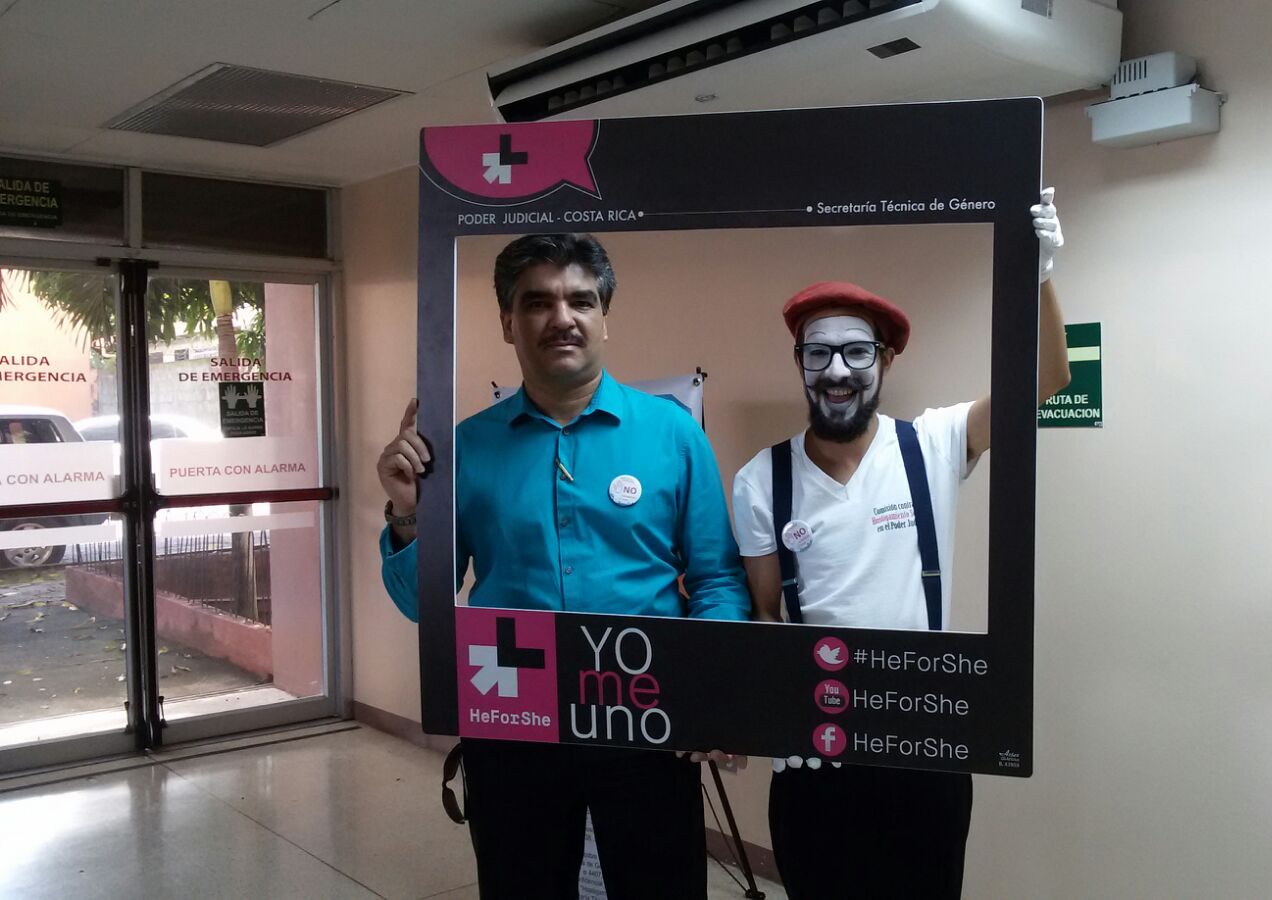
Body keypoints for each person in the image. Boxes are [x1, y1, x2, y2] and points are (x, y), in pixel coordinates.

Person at [376, 233, 750, 900]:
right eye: (537, 302)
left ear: (604, 317)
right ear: (508, 322)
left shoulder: (672, 435)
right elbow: (420, 605)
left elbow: (717, 579)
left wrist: (711, 694)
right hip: (510, 717)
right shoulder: (465, 448)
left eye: (581, 300)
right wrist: (408, 515)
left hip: (646, 714)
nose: (562, 318)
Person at [728, 189, 1072, 899]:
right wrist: (776, 717)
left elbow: (1047, 380)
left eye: (856, 351)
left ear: (884, 360)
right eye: (818, 352)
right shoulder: (761, 480)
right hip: (818, 748)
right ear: (800, 362)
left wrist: (1035, 277)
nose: (837, 371)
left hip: (926, 742)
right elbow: (764, 615)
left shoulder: (933, 444)